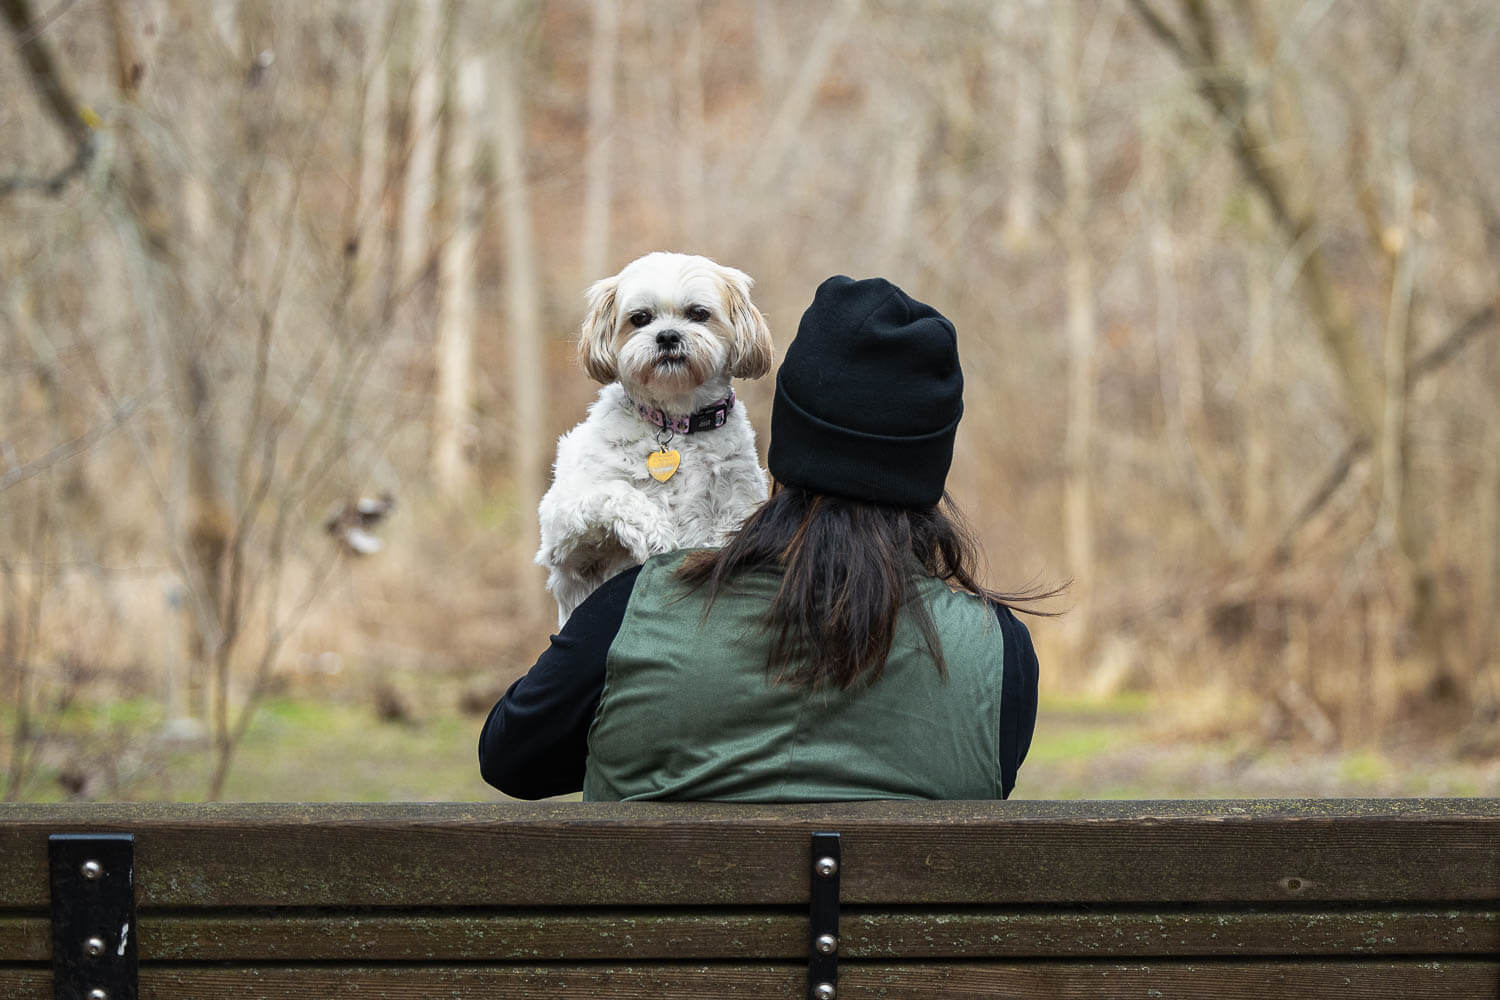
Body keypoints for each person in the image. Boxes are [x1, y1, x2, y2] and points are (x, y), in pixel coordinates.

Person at [480, 275, 1048, 801]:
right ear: (932, 465)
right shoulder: (1001, 654)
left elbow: (511, 761)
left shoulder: (635, 610)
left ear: (785, 449)